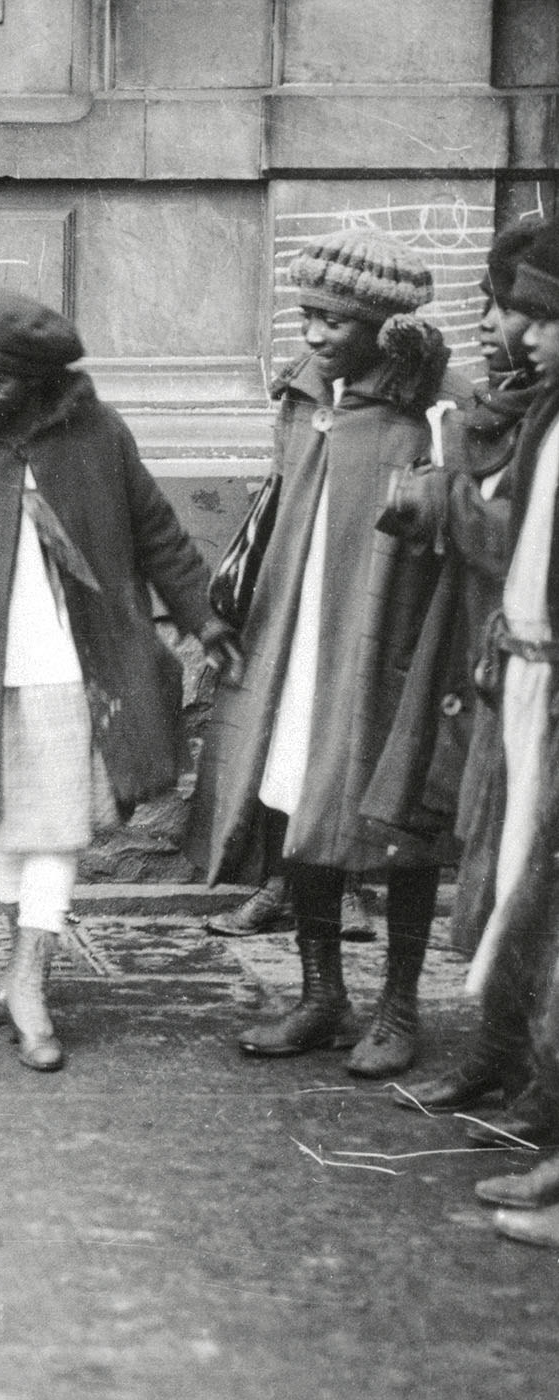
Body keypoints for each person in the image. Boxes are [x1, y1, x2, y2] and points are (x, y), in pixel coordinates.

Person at [0, 290, 231, 1071]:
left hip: (77, 664)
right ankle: (17, 968)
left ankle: (32, 977)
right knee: (0, 824)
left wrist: (205, 619)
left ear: (36, 377)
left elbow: (159, 534)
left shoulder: (98, 436)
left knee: (57, 829)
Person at [189, 229, 460, 1079]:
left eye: (332, 320)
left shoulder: (435, 409)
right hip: (297, 637)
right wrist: (233, 603)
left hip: (386, 644)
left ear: (384, 327)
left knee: (394, 816)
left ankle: (400, 1008)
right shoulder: (307, 398)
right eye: (307, 314)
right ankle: (321, 996)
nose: (311, 334)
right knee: (293, 800)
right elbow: (278, 503)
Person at [377, 218, 550, 1120]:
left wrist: (443, 493)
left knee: (530, 874)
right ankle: (496, 1051)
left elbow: (506, 536)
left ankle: (531, 1077)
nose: (510, 329)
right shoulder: (525, 409)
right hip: (504, 667)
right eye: (504, 308)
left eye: (524, 311)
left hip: (540, 677)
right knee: (496, 861)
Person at [452, 224, 559, 1246]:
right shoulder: (548, 419)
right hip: (529, 677)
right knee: (528, 900)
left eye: (541, 315)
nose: (518, 333)